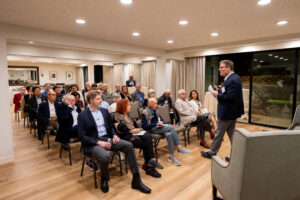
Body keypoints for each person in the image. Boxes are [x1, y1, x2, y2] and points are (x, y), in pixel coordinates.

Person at [77, 90, 151, 193]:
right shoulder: (83, 115)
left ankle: (136, 180)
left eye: (100, 98)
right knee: (105, 156)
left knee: (128, 145)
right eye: (98, 99)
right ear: (91, 100)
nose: (101, 100)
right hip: (93, 143)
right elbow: (82, 136)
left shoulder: (103, 111)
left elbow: (111, 127)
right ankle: (104, 179)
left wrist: (115, 135)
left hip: (107, 138)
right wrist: (98, 142)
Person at [201, 60, 244, 159]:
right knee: (232, 135)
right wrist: (221, 89)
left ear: (228, 68)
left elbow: (230, 97)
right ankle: (237, 157)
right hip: (231, 112)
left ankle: (211, 153)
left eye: (221, 67)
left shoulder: (232, 79)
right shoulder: (232, 78)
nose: (219, 69)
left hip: (227, 112)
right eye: (219, 67)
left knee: (218, 134)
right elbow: (228, 92)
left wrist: (217, 94)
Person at [113, 99, 163, 178]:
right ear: (123, 106)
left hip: (134, 133)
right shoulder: (117, 115)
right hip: (126, 136)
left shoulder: (127, 114)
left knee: (148, 136)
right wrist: (132, 131)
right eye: (128, 105)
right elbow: (120, 128)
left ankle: (150, 161)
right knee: (146, 143)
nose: (130, 106)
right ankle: (149, 166)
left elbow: (134, 124)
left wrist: (138, 129)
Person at [142, 98, 192, 166]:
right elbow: (144, 126)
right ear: (149, 104)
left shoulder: (156, 110)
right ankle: (179, 146)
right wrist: (156, 124)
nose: (156, 105)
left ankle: (171, 156)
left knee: (169, 134)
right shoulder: (144, 112)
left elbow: (161, 119)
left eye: (156, 103)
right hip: (151, 129)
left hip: (159, 127)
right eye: (154, 103)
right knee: (171, 127)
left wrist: (161, 122)